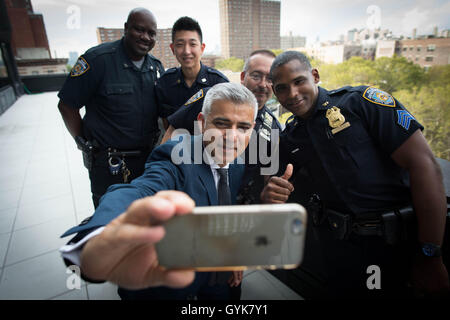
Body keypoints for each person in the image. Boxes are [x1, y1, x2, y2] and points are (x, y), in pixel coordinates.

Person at [261, 51, 449, 298]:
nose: (293, 94)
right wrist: (270, 193)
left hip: (396, 243)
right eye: (283, 88)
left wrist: (430, 254)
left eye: (299, 82)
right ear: (276, 93)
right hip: (339, 247)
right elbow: (271, 184)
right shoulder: (290, 136)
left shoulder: (361, 103)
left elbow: (425, 166)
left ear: (315, 76)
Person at [60, 83, 257, 300]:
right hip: (165, 282)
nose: (232, 136)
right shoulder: (175, 157)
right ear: (201, 123)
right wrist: (102, 234)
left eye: (243, 127)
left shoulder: (237, 160)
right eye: (221, 123)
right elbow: (142, 189)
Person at [57, 8, 164, 208]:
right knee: (110, 221)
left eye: (151, 33)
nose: (145, 37)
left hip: (147, 162)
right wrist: (85, 143)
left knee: (144, 218)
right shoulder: (97, 60)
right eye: (139, 30)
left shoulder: (156, 67)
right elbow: (67, 105)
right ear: (126, 29)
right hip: (109, 165)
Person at [155, 16, 228, 128]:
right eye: (180, 45)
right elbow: (165, 122)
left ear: (202, 48)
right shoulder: (165, 82)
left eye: (192, 44)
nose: (187, 51)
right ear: (172, 48)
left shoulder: (219, 83)